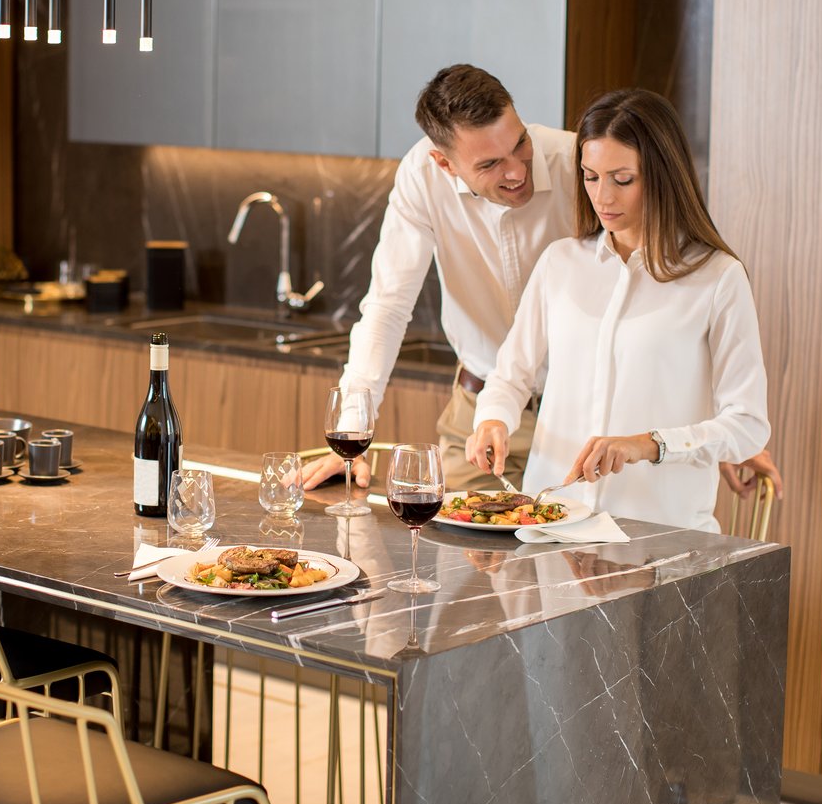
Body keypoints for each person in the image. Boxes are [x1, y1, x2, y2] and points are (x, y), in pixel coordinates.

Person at [300, 65, 781, 505]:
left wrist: (712, 439)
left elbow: (677, 315)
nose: (516, 171)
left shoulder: (586, 158)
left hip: (604, 441)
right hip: (487, 408)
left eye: (520, 145)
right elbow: (387, 308)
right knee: (466, 579)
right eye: (489, 165)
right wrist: (351, 433)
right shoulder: (431, 185)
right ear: (447, 165)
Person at [464, 88, 770, 533]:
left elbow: (747, 426)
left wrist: (649, 445)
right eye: (590, 177)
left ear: (663, 175)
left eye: (622, 179)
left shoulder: (717, 278)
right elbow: (511, 376)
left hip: (660, 537)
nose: (602, 197)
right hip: (553, 527)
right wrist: (492, 418)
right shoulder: (560, 263)